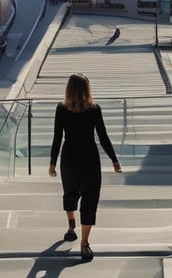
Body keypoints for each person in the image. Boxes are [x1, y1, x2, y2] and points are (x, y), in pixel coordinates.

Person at [49, 73, 121, 261]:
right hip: (89, 159)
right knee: (90, 200)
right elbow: (103, 136)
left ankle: (71, 227)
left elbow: (57, 136)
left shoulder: (61, 108)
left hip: (69, 158)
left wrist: (52, 162)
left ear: (68, 89)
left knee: (70, 193)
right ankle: (84, 244)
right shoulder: (94, 109)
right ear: (87, 89)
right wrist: (114, 160)